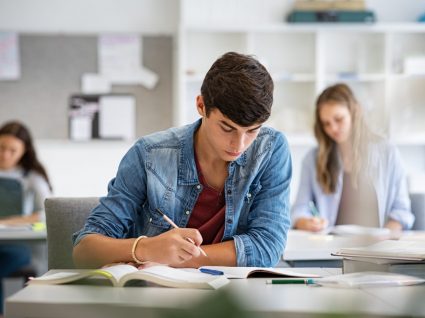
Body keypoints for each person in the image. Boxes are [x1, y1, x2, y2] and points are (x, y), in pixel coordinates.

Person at [72, 52, 292, 269]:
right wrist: (147, 248)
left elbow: (267, 248)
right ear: (201, 105)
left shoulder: (271, 149)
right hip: (159, 295)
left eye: (252, 131)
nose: (239, 144)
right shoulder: (149, 154)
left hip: (233, 297)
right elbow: (84, 250)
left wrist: (173, 260)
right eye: (227, 128)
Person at [291, 83, 414, 232]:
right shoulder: (313, 159)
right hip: (330, 250)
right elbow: (299, 209)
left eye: (339, 119)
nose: (333, 129)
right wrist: (307, 222)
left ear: (354, 113)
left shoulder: (388, 153)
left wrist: (385, 238)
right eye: (326, 124)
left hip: (377, 249)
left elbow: (401, 211)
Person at [0, 121, 52, 315]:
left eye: (12, 150)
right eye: (1, 147)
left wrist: (6, 222)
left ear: (24, 151)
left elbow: (47, 212)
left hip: (20, 246)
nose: (5, 154)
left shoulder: (32, 177)